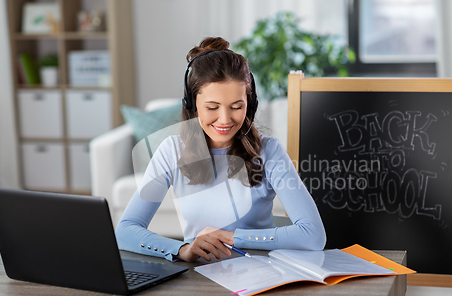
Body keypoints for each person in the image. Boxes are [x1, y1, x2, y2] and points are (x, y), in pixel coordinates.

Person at [115, 37, 326, 263]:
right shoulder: (171, 151)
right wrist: (182, 249)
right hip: (198, 279)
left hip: (259, 277)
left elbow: (313, 235)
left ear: (250, 104)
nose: (225, 120)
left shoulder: (269, 151)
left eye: (237, 107)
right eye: (212, 107)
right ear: (192, 104)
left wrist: (232, 237)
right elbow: (125, 230)